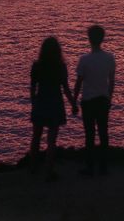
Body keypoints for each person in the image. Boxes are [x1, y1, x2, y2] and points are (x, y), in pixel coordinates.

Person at [30, 36, 76, 181]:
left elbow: (32, 88)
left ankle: (33, 167)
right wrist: (73, 104)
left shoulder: (37, 65)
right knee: (51, 140)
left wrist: (34, 102)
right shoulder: (61, 66)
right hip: (55, 103)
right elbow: (66, 89)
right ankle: (49, 171)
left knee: (36, 136)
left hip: (41, 101)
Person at [74, 25, 116, 176]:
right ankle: (103, 166)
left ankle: (90, 167)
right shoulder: (109, 58)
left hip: (88, 101)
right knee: (104, 133)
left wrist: (73, 100)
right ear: (102, 38)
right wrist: (109, 97)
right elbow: (111, 81)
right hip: (103, 100)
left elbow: (79, 82)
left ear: (89, 39)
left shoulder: (84, 59)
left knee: (89, 135)